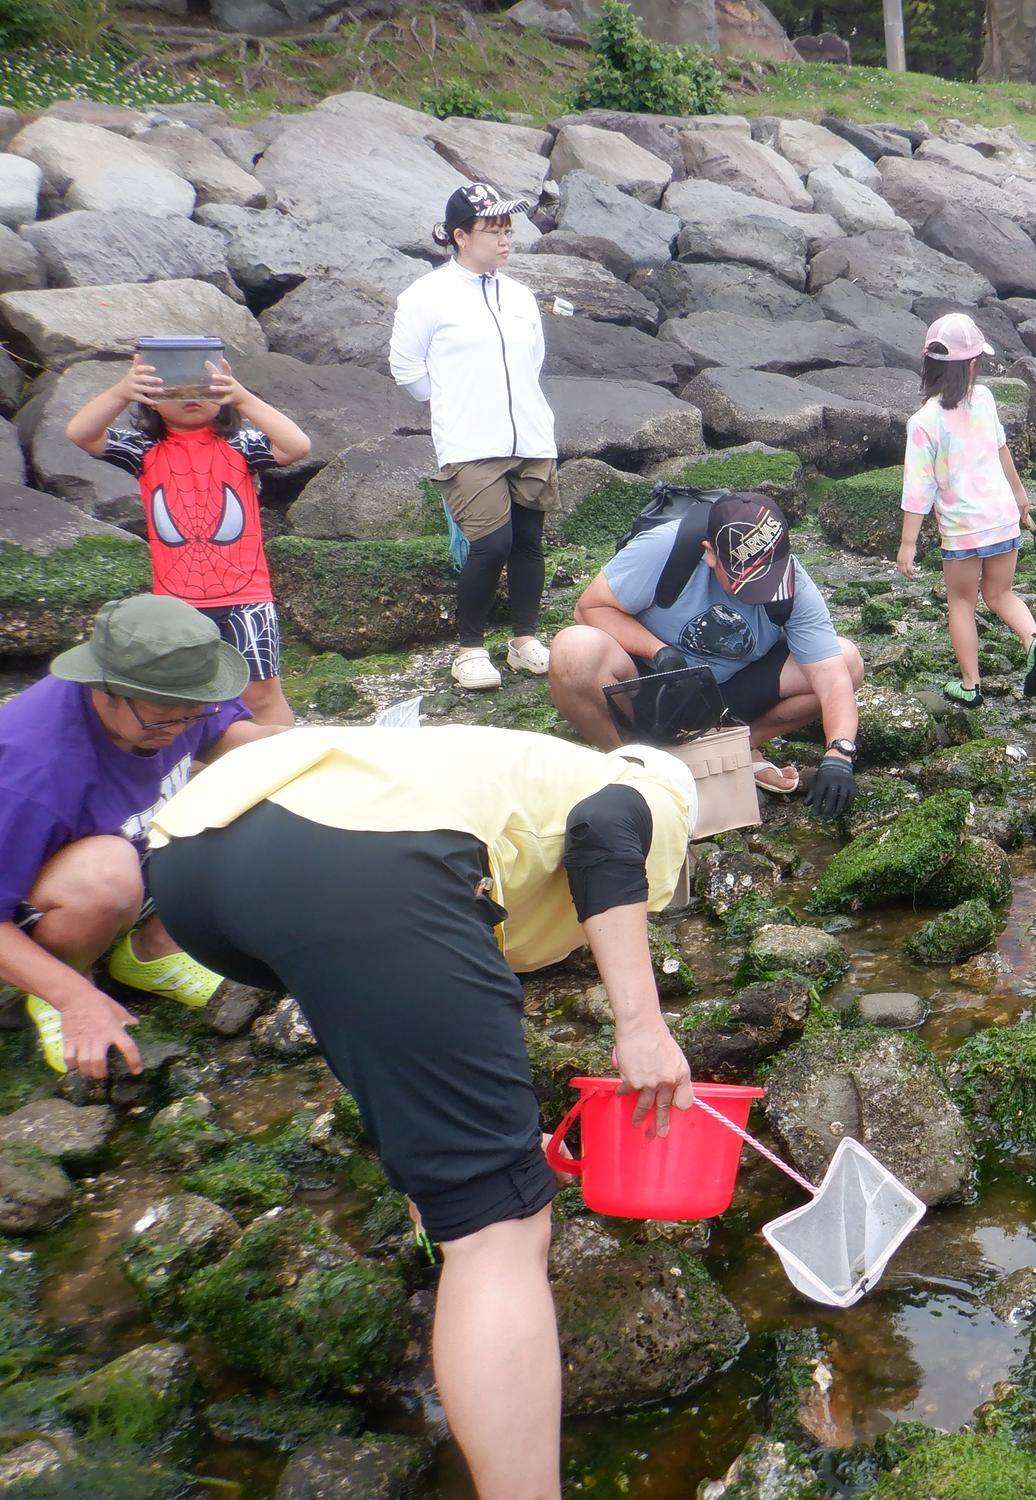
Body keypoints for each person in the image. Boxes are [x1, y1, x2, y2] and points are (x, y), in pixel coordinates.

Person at [147, 726, 698, 1500]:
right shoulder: (659, 792)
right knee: (500, 1229)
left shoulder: (507, 774)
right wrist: (641, 1026)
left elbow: (402, 988)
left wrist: (489, 1124)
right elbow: (607, 829)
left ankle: (433, 1188)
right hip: (351, 861)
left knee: (382, 1018)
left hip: (191, 861)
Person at [0, 597, 282, 1076]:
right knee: (104, 875)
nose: (179, 729)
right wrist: (73, 998)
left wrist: (323, 747)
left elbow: (226, 739)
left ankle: (151, 951)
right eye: (163, 719)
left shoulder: (179, 699)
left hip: (146, 849)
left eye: (192, 715)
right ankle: (62, 978)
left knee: (273, 782)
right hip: (62, 894)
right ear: (104, 690)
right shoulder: (29, 769)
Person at [548, 492, 863, 820]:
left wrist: (839, 754)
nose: (765, 591)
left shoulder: (793, 581)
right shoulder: (665, 547)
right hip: (654, 684)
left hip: (731, 695)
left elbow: (832, 677)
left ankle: (736, 746)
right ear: (710, 554)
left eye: (770, 579)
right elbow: (590, 607)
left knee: (848, 661)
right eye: (748, 583)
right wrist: (659, 651)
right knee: (573, 651)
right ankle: (636, 766)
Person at [65, 351, 310, 727]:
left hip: (248, 597)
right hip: (178, 602)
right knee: (181, 692)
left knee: (261, 692)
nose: (189, 396)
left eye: (203, 387)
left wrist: (241, 395)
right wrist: (123, 390)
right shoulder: (145, 450)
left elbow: (297, 446)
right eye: (174, 389)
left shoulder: (240, 446)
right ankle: (192, 762)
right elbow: (80, 434)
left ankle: (289, 767)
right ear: (154, 401)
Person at [390, 182, 558, 693]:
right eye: (493, 231)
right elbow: (406, 368)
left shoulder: (521, 296)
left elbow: (533, 362)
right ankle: (469, 649)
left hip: (531, 434)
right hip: (469, 441)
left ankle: (524, 638)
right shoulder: (425, 295)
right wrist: (454, 401)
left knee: (529, 541)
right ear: (460, 236)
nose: (505, 240)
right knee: (491, 544)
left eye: (508, 230)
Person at [894, 313, 1036, 707]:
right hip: (1001, 517)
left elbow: (918, 488)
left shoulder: (924, 421)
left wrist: (907, 544)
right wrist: (1021, 501)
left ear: (929, 365)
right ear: (972, 364)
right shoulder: (984, 399)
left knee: (961, 602)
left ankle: (970, 685)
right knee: (1000, 593)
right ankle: (1034, 640)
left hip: (963, 529)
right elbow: (1002, 450)